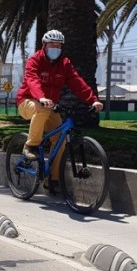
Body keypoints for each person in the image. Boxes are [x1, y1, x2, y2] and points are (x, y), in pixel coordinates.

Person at [16, 29, 104, 194]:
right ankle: (31, 146)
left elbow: (77, 82)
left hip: (49, 105)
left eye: (58, 45)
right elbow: (32, 80)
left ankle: (53, 179)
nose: (55, 48)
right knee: (42, 109)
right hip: (27, 101)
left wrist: (93, 100)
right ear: (44, 45)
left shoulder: (64, 64)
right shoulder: (35, 60)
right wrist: (41, 97)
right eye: (52, 44)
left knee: (60, 141)